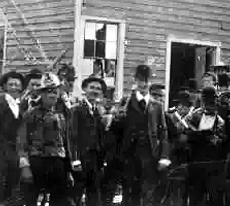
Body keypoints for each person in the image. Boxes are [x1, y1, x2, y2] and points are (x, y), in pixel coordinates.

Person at [109, 64, 171, 206]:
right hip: (129, 157)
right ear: (134, 81)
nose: (143, 83)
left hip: (150, 157)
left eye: (146, 80)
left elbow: (163, 133)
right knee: (129, 195)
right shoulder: (126, 102)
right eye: (140, 80)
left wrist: (164, 156)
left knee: (149, 195)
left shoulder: (157, 106)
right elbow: (116, 131)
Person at [17, 72, 74, 206]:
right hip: (37, 161)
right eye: (48, 92)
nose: (52, 95)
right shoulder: (31, 114)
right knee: (31, 199)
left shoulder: (63, 114)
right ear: (41, 94)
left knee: (60, 199)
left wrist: (69, 168)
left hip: (58, 162)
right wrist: (25, 166)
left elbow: (67, 142)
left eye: (55, 92)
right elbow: (22, 140)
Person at [0, 70, 26, 205]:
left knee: (16, 194)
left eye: (17, 84)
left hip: (18, 156)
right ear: (5, 87)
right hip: (0, 154)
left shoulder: (24, 106)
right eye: (11, 84)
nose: (14, 87)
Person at [71, 75, 108, 206]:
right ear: (85, 89)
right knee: (76, 193)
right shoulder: (76, 110)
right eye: (92, 87)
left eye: (98, 89)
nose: (95, 91)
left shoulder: (98, 111)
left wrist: (102, 161)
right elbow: (72, 135)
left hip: (95, 159)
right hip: (81, 157)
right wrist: (75, 159)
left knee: (94, 195)